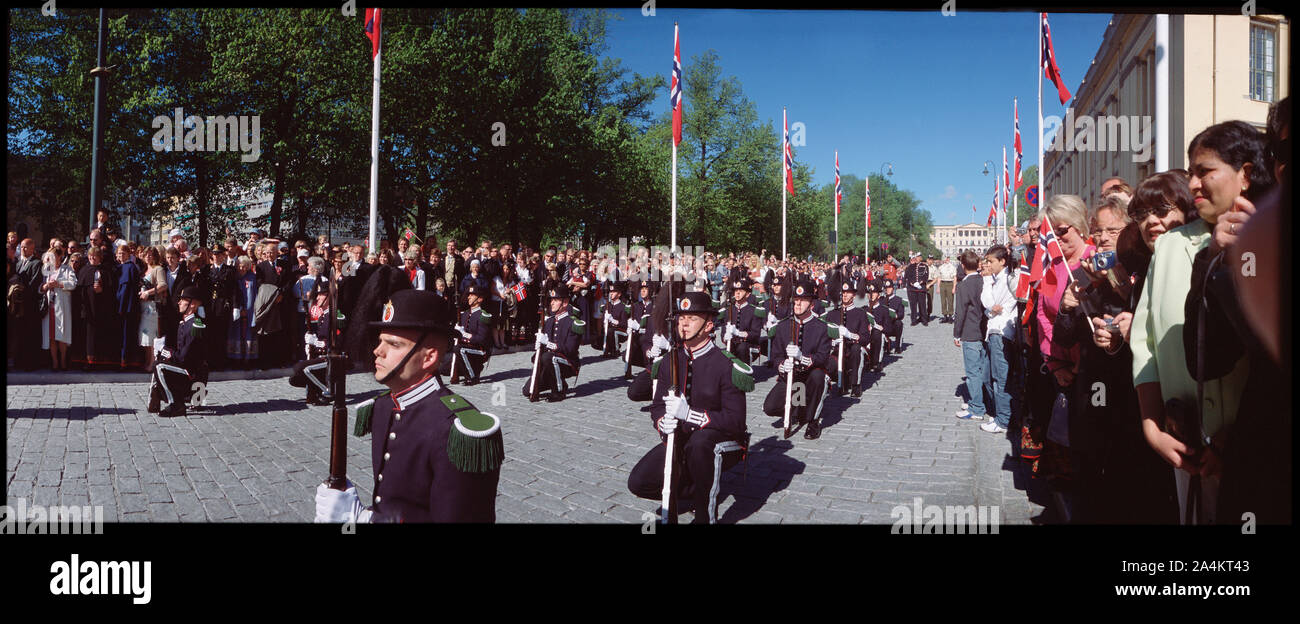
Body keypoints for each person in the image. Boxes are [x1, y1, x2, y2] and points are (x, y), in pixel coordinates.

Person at [1132, 121, 1273, 525]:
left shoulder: (1272, 241)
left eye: (1203, 171)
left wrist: (1238, 438)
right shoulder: (1172, 248)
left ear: (1245, 174)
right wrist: (1152, 426)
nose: (1192, 184)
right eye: (1189, 172)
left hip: (1257, 452)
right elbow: (1147, 342)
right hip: (1186, 447)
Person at [313, 288, 503, 523]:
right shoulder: (383, 407)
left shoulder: (458, 432)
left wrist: (362, 522)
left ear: (428, 357)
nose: (377, 351)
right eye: (380, 340)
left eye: (393, 344)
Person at [626, 291, 752, 523]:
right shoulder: (669, 361)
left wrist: (690, 415)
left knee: (701, 443)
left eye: (692, 318)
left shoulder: (726, 364)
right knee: (639, 482)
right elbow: (656, 406)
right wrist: (662, 421)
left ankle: (705, 514)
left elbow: (735, 422)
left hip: (721, 443)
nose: (684, 323)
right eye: (681, 317)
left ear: (708, 325)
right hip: (682, 440)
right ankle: (698, 488)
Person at [761, 278, 834, 440]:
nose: (798, 304)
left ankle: (813, 421)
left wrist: (803, 357)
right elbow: (775, 355)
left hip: (811, 376)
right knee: (770, 407)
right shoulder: (783, 326)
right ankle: (799, 407)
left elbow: (823, 358)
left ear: (812, 305)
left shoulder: (821, 327)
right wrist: (782, 365)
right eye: (796, 300)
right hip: (791, 378)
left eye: (803, 300)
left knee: (818, 376)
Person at [146, 286, 208, 418]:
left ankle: (176, 405)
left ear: (193, 305)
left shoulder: (196, 324)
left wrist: (164, 351)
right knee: (161, 362)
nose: (179, 302)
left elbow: (184, 358)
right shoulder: (185, 322)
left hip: (193, 375)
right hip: (187, 370)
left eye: (183, 300)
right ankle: (167, 395)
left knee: (159, 366)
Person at [522, 283, 583, 402]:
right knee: (527, 390)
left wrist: (548, 344)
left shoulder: (572, 323)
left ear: (564, 303)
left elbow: (570, 350)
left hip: (568, 363)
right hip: (550, 362)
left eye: (556, 300)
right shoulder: (549, 322)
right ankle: (558, 382)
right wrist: (539, 346)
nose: (552, 303)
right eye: (552, 300)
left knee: (548, 357)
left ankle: (558, 391)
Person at [979, 245, 1017, 433]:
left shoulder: (1005, 279)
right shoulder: (997, 278)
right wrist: (990, 309)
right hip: (992, 330)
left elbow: (989, 303)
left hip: (1001, 332)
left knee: (1000, 378)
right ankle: (1000, 413)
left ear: (1002, 261)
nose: (988, 265)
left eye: (991, 261)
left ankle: (1004, 419)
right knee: (987, 376)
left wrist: (986, 281)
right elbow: (989, 308)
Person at [952, 251, 988, 421]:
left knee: (973, 372)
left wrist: (956, 334)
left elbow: (960, 312)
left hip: (969, 331)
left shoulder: (963, 285)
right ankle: (978, 400)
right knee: (981, 370)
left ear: (963, 266)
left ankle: (977, 408)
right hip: (982, 331)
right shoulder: (983, 280)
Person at [824, 279, 873, 397]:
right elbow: (824, 337)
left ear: (854, 295)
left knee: (857, 349)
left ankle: (856, 385)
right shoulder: (832, 314)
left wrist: (850, 336)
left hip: (853, 352)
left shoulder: (860, 313)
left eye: (848, 292)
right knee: (828, 364)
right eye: (843, 292)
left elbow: (865, 338)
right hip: (837, 352)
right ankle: (837, 383)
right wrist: (833, 341)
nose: (845, 295)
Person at [442, 284, 494, 386]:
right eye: (469, 295)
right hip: (465, 349)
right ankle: (473, 368)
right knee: (443, 369)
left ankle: (472, 377)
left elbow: (481, 339)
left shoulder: (483, 315)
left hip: (480, 350)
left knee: (459, 349)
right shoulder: (464, 314)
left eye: (472, 295)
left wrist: (464, 334)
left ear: (480, 299)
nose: (469, 297)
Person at [40, 248, 77, 370]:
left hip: (61, 307)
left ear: (60, 256)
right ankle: (55, 362)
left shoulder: (67, 269)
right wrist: (46, 286)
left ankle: (63, 361)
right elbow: (39, 287)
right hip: (49, 307)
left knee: (61, 335)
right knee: (51, 336)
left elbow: (73, 283)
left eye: (54, 256)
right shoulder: (46, 270)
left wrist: (59, 284)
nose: (52, 259)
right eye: (50, 256)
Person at [720, 276, 764, 366]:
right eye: (736, 291)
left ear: (747, 294)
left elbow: (756, 334)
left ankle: (744, 374)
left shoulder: (753, 310)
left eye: (741, 291)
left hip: (748, 344)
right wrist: (725, 336)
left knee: (742, 348)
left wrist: (739, 333)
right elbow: (724, 329)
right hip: (732, 343)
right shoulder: (729, 309)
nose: (737, 293)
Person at [227, 255, 259, 367]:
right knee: (236, 333)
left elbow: (255, 294)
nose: (242, 268)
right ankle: (236, 359)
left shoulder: (252, 277)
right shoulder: (233, 277)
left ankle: (248, 359)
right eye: (239, 266)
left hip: (250, 311)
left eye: (244, 266)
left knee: (249, 334)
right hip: (236, 311)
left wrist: (250, 310)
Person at [903, 252, 930, 326]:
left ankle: (924, 319)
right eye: (916, 257)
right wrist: (912, 283)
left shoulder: (924, 266)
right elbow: (908, 276)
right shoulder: (910, 266)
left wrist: (921, 282)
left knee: (922, 305)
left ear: (921, 258)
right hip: (912, 289)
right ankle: (914, 320)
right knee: (913, 305)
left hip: (921, 288)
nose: (917, 258)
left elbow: (926, 276)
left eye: (918, 257)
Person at [882, 279, 906, 354]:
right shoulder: (881, 300)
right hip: (883, 325)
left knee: (899, 323)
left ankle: (897, 346)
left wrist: (896, 315)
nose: (887, 290)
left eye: (889, 288)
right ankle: (884, 345)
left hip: (893, 324)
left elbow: (901, 314)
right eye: (886, 288)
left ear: (893, 288)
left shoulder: (899, 300)